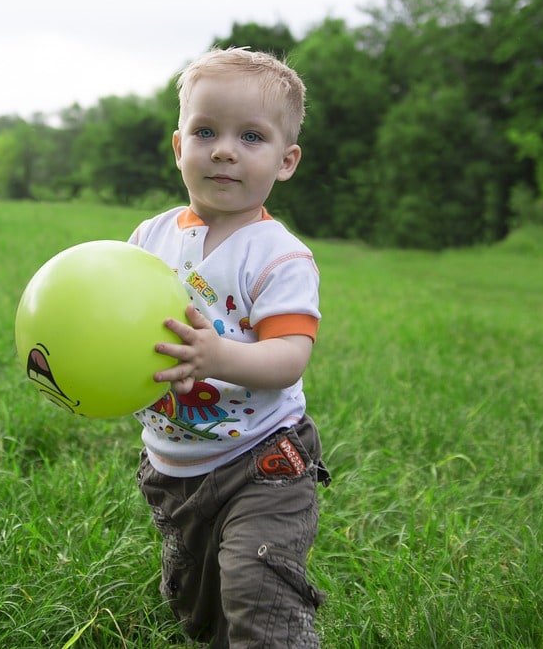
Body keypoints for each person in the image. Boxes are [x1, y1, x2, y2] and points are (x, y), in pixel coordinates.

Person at [129, 46, 329, 648]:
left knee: (256, 585)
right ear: (178, 145)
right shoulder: (149, 238)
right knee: (197, 608)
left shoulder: (278, 254)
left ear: (285, 160)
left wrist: (218, 356)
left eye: (251, 137)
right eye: (206, 131)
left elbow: (289, 356)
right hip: (173, 464)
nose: (223, 149)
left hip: (262, 461)